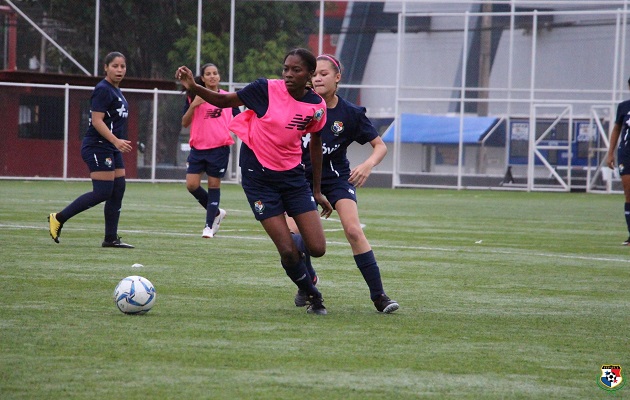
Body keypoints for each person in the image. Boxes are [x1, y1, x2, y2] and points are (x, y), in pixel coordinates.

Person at [176, 48, 333, 314]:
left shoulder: (316, 106)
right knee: (286, 251)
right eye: (286, 68)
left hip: (293, 177)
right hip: (258, 178)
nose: (289, 74)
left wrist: (317, 190)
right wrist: (194, 87)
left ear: (309, 74)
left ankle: (300, 256)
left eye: (296, 70)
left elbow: (315, 142)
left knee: (317, 248)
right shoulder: (265, 89)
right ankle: (312, 293)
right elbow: (224, 100)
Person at [287, 54, 399, 313]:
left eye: (324, 74)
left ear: (337, 78)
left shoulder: (350, 113)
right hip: (300, 180)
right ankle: (309, 280)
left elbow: (380, 146)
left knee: (353, 231)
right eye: (314, 74)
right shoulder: (296, 106)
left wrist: (368, 164)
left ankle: (379, 297)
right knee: (293, 237)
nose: (317, 78)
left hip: (336, 179)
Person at [48, 51, 134, 248]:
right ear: (106, 67)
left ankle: (110, 238)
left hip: (109, 147)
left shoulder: (115, 90)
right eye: (115, 66)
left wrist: (115, 142)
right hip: (97, 146)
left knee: (118, 188)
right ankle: (58, 218)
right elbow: (97, 121)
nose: (119, 70)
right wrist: (115, 140)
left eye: (122, 66)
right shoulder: (103, 89)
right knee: (103, 191)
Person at [181, 63, 239, 238]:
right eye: (208, 74)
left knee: (214, 185)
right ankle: (215, 213)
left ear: (219, 77)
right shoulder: (194, 97)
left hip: (219, 149)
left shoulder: (228, 98)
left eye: (215, 73)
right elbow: (184, 122)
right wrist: (194, 105)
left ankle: (208, 226)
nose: (212, 76)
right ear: (203, 78)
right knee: (192, 185)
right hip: (198, 148)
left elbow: (240, 119)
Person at [606, 76, 630, 246]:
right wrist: (610, 153)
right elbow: (616, 129)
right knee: (628, 191)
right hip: (626, 153)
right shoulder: (623, 107)